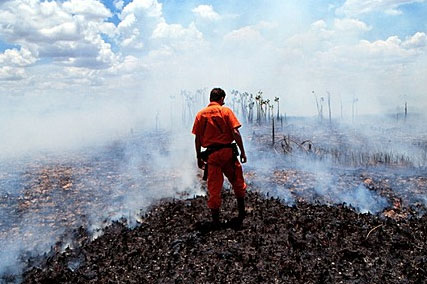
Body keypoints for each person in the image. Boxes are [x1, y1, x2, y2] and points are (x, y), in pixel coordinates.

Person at [192, 88, 247, 227]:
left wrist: (198, 157)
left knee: (214, 188)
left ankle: (216, 221)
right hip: (227, 153)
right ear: (221, 98)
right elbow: (235, 132)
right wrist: (242, 151)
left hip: (212, 156)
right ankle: (241, 214)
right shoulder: (225, 111)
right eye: (224, 99)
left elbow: (198, 139)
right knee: (237, 182)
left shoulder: (200, 115)